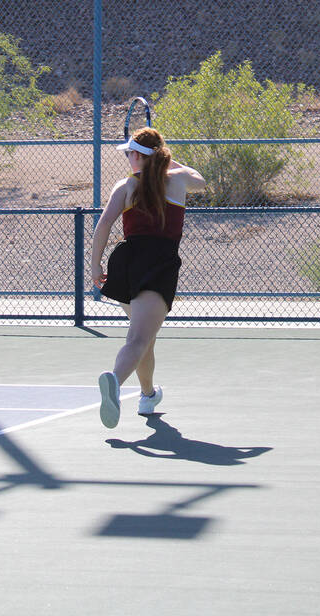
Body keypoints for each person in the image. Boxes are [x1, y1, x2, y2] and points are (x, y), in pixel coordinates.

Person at [92, 127, 205, 429]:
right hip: (158, 265)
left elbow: (102, 226)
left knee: (146, 340)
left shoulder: (124, 186)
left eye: (131, 153)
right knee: (139, 338)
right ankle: (114, 381)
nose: (128, 157)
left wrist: (94, 265)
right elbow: (202, 180)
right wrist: (169, 161)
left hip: (126, 263)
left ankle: (147, 395)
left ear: (138, 157)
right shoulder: (178, 180)